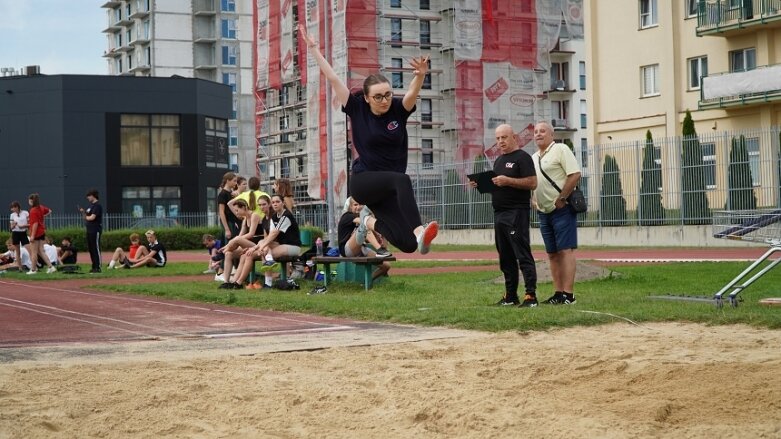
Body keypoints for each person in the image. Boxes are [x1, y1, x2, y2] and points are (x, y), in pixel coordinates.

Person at [300, 24, 438, 254]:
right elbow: (333, 78)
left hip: (387, 188)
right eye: (377, 97)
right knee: (402, 181)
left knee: (409, 245)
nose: (384, 100)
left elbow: (412, 94)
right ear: (366, 98)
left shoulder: (397, 109)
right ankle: (418, 229)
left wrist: (421, 75)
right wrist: (314, 50)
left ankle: (368, 222)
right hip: (364, 182)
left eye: (387, 94)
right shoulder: (356, 108)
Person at [471, 124, 539, 307]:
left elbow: (532, 183)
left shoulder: (523, 158)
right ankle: (510, 296)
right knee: (505, 256)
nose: (500, 141)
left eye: (504, 137)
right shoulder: (499, 160)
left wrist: (508, 180)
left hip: (516, 212)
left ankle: (530, 296)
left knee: (522, 253)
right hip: (499, 213)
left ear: (514, 137)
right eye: (498, 138)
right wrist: (482, 184)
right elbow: (497, 185)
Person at [531, 121, 582, 305]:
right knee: (552, 253)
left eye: (542, 131)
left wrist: (562, 198)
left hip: (562, 209)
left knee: (565, 250)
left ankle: (569, 295)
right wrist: (533, 199)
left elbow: (575, 174)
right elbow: (532, 182)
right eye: (536, 131)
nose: (538, 134)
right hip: (543, 212)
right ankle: (558, 293)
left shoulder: (560, 149)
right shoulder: (534, 157)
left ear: (551, 135)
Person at [228, 194, 301, 290]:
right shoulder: (274, 217)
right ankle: (237, 282)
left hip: (293, 246)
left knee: (264, 251)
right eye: (273, 202)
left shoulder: (286, 215)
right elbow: (268, 237)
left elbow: (274, 234)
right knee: (250, 254)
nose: (275, 204)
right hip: (280, 245)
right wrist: (257, 247)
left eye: (277, 202)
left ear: (283, 203)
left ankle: (268, 283)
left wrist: (260, 247)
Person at [338, 197, 392, 280]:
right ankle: (380, 250)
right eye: (355, 205)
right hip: (346, 250)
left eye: (360, 204)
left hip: (360, 248)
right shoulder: (347, 216)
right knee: (365, 226)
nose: (358, 207)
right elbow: (364, 222)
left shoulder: (361, 218)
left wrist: (380, 235)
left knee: (386, 266)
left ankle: (367, 282)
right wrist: (376, 231)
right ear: (350, 207)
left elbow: (365, 237)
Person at [217, 199, 263, 288]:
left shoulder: (255, 215)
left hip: (257, 245)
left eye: (237, 210)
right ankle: (227, 282)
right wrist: (234, 241)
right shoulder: (245, 219)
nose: (236, 213)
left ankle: (225, 249)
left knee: (237, 239)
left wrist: (234, 241)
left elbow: (251, 234)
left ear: (244, 207)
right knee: (228, 253)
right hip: (248, 244)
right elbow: (241, 235)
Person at [26, 193, 56, 274]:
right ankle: (51, 267)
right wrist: (42, 217)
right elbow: (50, 211)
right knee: (41, 251)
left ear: (31, 201)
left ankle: (33, 269)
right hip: (42, 231)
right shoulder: (41, 207)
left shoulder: (33, 210)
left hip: (36, 233)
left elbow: (35, 224)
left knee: (34, 252)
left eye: (29, 200)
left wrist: (32, 235)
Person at [79, 189, 103, 273]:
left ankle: (98, 266)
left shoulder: (97, 206)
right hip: (89, 230)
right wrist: (83, 213)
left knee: (96, 248)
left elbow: (92, 217)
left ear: (93, 196)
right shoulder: (90, 206)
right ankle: (94, 266)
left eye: (89, 196)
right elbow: (86, 217)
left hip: (95, 229)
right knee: (91, 248)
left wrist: (86, 217)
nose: (88, 198)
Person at [217, 172, 240, 243]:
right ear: (227, 181)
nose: (236, 183)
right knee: (229, 243)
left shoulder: (233, 193)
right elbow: (221, 212)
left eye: (236, 181)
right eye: (234, 181)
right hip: (228, 222)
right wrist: (227, 229)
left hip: (235, 221)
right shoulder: (222, 194)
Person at [9, 201, 30, 272]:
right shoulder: (12, 215)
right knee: (17, 252)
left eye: (13, 208)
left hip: (23, 233)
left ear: (17, 207)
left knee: (30, 250)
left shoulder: (25, 213)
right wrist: (13, 225)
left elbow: (30, 223)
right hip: (15, 233)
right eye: (11, 208)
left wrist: (23, 226)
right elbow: (11, 227)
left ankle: (34, 266)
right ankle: (20, 268)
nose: (12, 210)